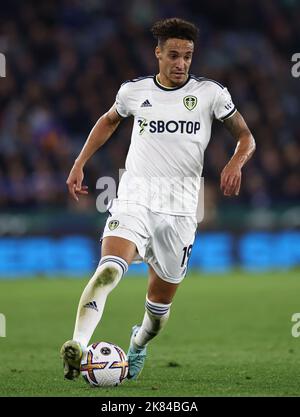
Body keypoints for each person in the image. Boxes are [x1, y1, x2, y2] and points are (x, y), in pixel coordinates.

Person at [60, 17, 256, 381]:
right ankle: (77, 347)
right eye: (174, 55)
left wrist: (235, 162)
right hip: (135, 197)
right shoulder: (134, 92)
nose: (181, 63)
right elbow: (107, 121)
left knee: (158, 314)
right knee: (108, 270)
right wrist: (79, 162)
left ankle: (138, 343)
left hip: (181, 210)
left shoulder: (211, 94)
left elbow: (246, 137)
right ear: (158, 54)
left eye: (188, 56)